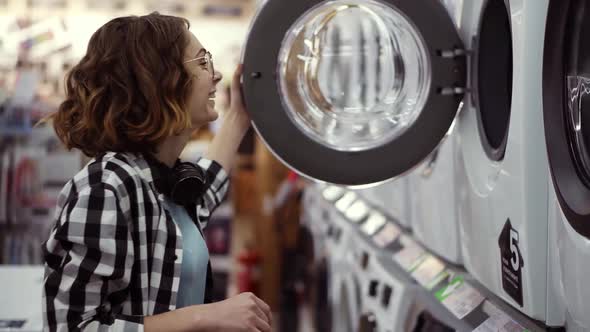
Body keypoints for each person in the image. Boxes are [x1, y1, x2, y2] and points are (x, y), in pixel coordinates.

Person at [41, 12, 272, 332]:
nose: (217, 74)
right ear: (161, 80)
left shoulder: (161, 179)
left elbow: (199, 199)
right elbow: (72, 327)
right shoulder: (105, 188)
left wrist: (238, 118)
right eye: (203, 61)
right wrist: (207, 316)